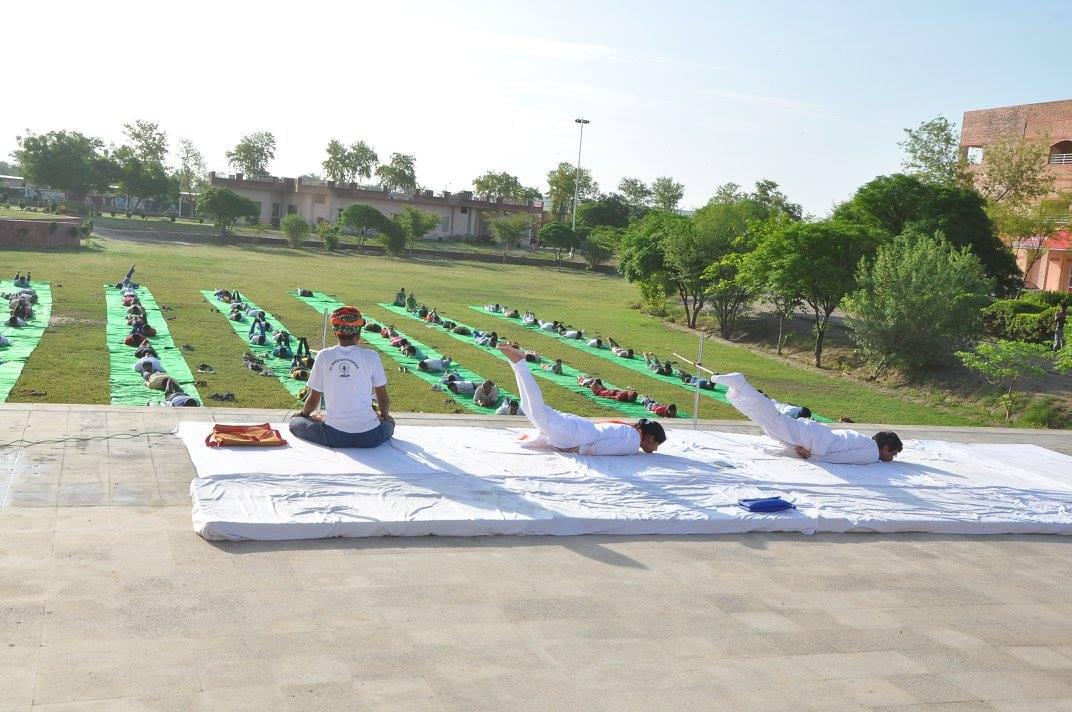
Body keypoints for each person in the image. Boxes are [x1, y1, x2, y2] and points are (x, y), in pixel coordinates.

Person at [499, 343, 666, 455]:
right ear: (651, 439)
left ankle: (517, 365)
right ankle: (520, 363)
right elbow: (603, 447)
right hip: (579, 436)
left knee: (530, 408)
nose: (656, 449)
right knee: (536, 410)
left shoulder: (628, 430)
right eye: (657, 445)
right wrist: (577, 450)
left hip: (581, 428)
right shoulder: (633, 442)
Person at [715, 372, 902, 464]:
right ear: (886, 448)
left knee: (765, 421)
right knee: (773, 419)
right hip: (815, 439)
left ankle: (736, 391)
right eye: (893, 454)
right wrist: (812, 457)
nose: (891, 459)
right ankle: (741, 384)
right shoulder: (871, 453)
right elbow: (843, 457)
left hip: (814, 436)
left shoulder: (863, 440)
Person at [289, 306, 394, 448]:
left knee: (295, 423)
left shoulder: (324, 356)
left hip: (335, 435)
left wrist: (303, 415)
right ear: (358, 332)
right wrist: (385, 417)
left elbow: (314, 399)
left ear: (335, 332)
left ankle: (322, 420)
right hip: (370, 437)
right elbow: (382, 397)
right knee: (390, 423)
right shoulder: (371, 356)